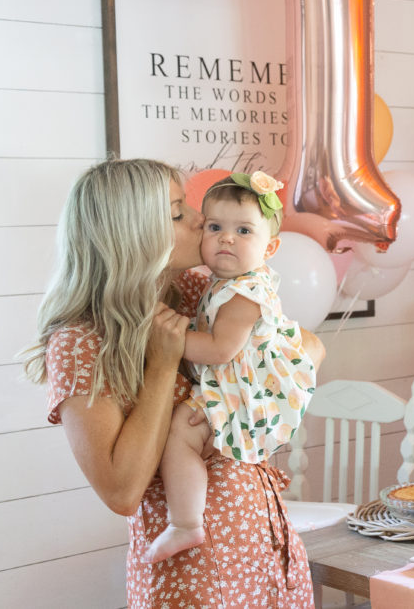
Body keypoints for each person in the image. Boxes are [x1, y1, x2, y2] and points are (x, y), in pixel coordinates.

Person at [23, 159, 322, 608]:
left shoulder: (191, 290)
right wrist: (163, 367)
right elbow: (122, 491)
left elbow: (310, 347)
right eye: (179, 212)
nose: (201, 220)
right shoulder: (81, 342)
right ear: (133, 235)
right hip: (196, 575)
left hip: (263, 542)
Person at [144, 171, 318, 564]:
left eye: (243, 230)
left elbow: (221, 349)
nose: (226, 237)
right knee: (181, 435)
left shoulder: (243, 293)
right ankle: (187, 520)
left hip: (240, 391)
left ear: (269, 247)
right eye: (215, 226)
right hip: (232, 383)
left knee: (180, 436)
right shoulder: (220, 283)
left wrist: (169, 338)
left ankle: (186, 523)